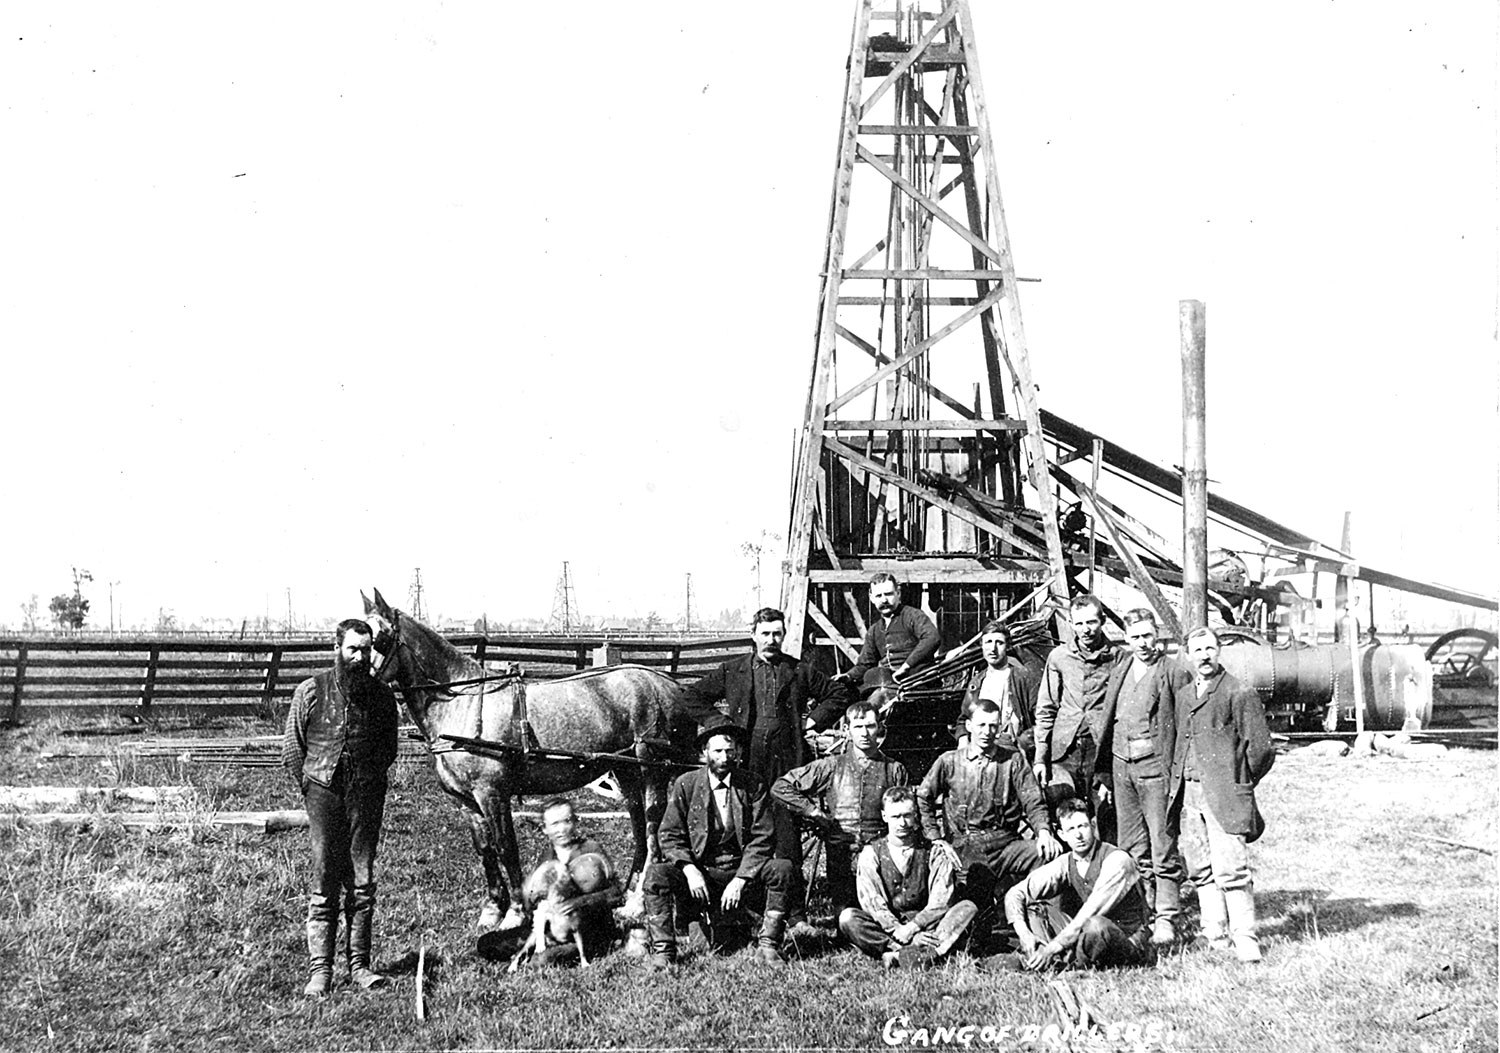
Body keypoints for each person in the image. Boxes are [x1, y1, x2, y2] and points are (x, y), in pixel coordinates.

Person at [679, 607, 848, 919]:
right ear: (753, 635)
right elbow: (692, 697)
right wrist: (722, 726)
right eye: (765, 633)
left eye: (777, 634)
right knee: (745, 826)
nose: (771, 640)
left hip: (787, 760)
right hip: (746, 760)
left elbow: (837, 694)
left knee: (787, 834)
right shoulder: (733, 670)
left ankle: (792, 912)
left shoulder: (799, 670)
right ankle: (747, 903)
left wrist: (813, 721)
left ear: (784, 636)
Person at [282, 618, 400, 997]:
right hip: (323, 795)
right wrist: (311, 787)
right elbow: (292, 749)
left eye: (366, 650)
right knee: (323, 881)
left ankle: (360, 966)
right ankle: (321, 972)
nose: (360, 657)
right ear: (337, 649)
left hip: (365, 796)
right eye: (353, 649)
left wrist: (367, 779)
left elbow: (389, 749)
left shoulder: (382, 697)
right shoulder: (310, 691)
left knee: (362, 883)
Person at [641, 720, 798, 967]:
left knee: (782, 869)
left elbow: (763, 836)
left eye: (730, 751)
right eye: (717, 751)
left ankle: (768, 946)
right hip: (701, 874)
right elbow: (670, 835)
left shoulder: (752, 784)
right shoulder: (687, 784)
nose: (724, 758)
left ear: (738, 752)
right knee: (656, 875)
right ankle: (664, 951)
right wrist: (689, 869)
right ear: (704, 753)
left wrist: (741, 879)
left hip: (741, 871)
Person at [917, 698, 1062, 951]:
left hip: (1004, 844)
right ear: (969, 726)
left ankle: (1052, 931)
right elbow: (923, 796)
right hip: (965, 847)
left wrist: (1044, 832)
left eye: (993, 726)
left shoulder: (1013, 761)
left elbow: (1033, 800)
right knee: (973, 914)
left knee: (1049, 856)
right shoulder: (950, 761)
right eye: (981, 725)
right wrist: (936, 838)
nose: (987, 732)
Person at [1167, 626, 1275, 963]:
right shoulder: (1185, 695)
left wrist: (1238, 780)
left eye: (1210, 649)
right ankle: (1214, 933)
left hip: (1224, 793)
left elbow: (1261, 749)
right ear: (1187, 654)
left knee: (1232, 867)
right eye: (1197, 650)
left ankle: (1245, 937)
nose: (1204, 656)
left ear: (1220, 651)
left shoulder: (1238, 692)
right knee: (1200, 865)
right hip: (1189, 793)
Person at [1093, 609, 1186, 946]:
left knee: (1162, 844)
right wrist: (1105, 772)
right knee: (1131, 847)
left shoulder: (1173, 672)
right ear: (1127, 639)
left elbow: (1182, 725)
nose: (1143, 644)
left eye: (1148, 636)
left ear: (1157, 635)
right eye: (1135, 637)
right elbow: (1108, 721)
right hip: (1122, 769)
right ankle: (1142, 913)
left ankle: (1167, 918)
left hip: (1155, 769)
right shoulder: (1121, 668)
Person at [772, 701, 909, 916]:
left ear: (880, 728)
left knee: (886, 915)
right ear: (847, 730)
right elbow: (781, 787)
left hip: (881, 855)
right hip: (841, 854)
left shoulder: (894, 769)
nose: (864, 733)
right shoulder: (831, 766)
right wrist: (813, 812)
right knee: (846, 921)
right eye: (858, 727)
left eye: (870, 726)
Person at [1001, 798, 1152, 970]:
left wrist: (1052, 947)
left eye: (1083, 826)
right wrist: (1024, 933)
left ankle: (1063, 963)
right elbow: (1016, 893)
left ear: (1093, 825)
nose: (1078, 835)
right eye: (1071, 829)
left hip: (1126, 940)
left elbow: (1091, 911)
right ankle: (1044, 959)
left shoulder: (1117, 860)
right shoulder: (1067, 862)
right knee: (1036, 909)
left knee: (1096, 925)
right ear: (1061, 834)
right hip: (1086, 936)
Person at [839, 786, 978, 969]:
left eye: (907, 815)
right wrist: (899, 930)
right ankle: (913, 952)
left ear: (915, 816)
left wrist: (914, 927)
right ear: (884, 817)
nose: (902, 823)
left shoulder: (934, 852)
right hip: (889, 929)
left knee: (967, 908)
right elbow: (872, 902)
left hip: (928, 926)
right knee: (848, 918)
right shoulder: (871, 853)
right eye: (896, 817)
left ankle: (902, 955)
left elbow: (941, 901)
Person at [477, 796, 625, 966]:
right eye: (555, 824)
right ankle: (523, 954)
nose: (562, 829)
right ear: (544, 829)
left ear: (575, 822)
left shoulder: (591, 849)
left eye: (567, 821)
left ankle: (538, 957)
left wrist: (582, 902)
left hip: (590, 930)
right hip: (555, 928)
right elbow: (533, 904)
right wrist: (531, 896)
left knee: (544, 959)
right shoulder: (546, 859)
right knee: (488, 943)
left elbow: (617, 894)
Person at [1034, 595, 1122, 807]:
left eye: (1091, 622)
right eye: (1079, 623)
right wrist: (1040, 758)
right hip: (1065, 750)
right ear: (1071, 624)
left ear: (1102, 621)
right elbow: (1046, 709)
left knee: (1104, 813)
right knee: (1066, 815)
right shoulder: (1059, 657)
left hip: (1101, 752)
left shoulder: (1119, 658)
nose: (1086, 629)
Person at [839, 573, 941, 710]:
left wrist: (906, 666)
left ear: (898, 593)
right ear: (871, 598)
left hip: (917, 683)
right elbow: (865, 664)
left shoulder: (913, 616)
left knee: (874, 702)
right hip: (887, 684)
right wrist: (848, 676)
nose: (884, 600)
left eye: (888, 594)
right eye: (879, 596)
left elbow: (932, 638)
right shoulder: (875, 630)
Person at [953, 620, 1038, 758]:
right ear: (982, 646)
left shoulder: (1023, 677)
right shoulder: (977, 682)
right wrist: (963, 740)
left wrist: (1024, 743)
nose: (992, 649)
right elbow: (963, 720)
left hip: (1014, 750)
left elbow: (1041, 720)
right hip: (983, 750)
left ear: (1008, 646)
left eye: (999, 643)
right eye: (988, 642)